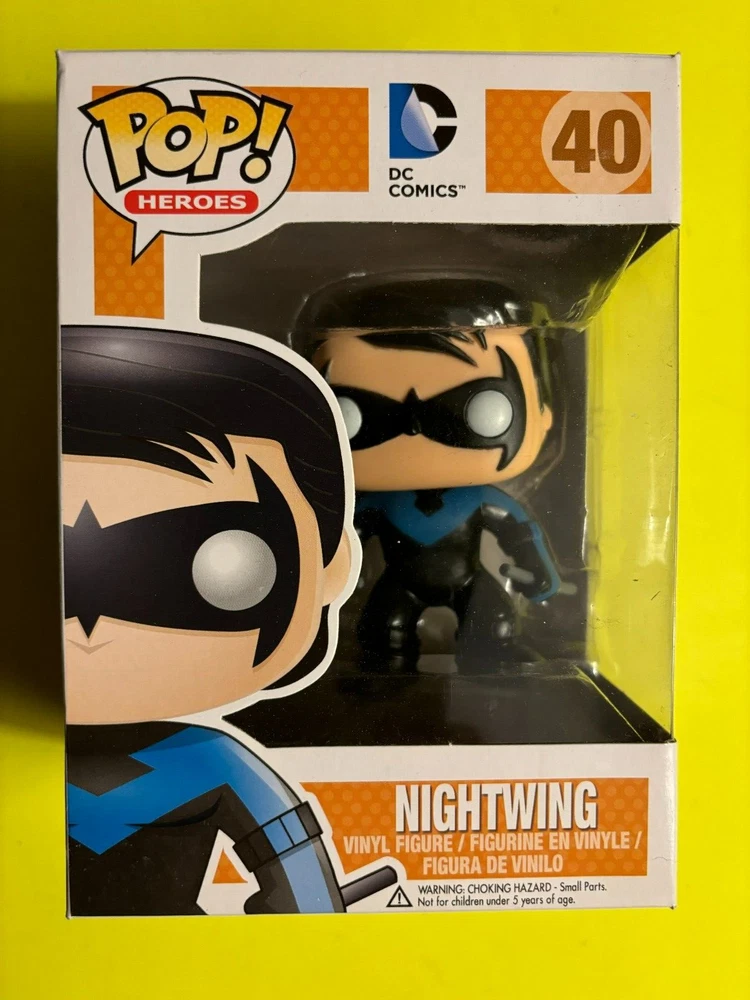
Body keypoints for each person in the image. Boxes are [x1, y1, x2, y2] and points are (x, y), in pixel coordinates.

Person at [62, 324, 357, 915]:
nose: (89, 622)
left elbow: (304, 893)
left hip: (180, 958)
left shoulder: (215, 764)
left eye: (220, 561)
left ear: (331, 565)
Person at [296, 274, 563, 672]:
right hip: (400, 584)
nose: (414, 429)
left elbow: (519, 532)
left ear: (543, 415)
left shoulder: (479, 500)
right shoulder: (380, 504)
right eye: (357, 412)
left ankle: (493, 666)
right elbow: (339, 541)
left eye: (477, 407)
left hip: (470, 582)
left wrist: (539, 573)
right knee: (383, 633)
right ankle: (388, 676)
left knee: (495, 628)